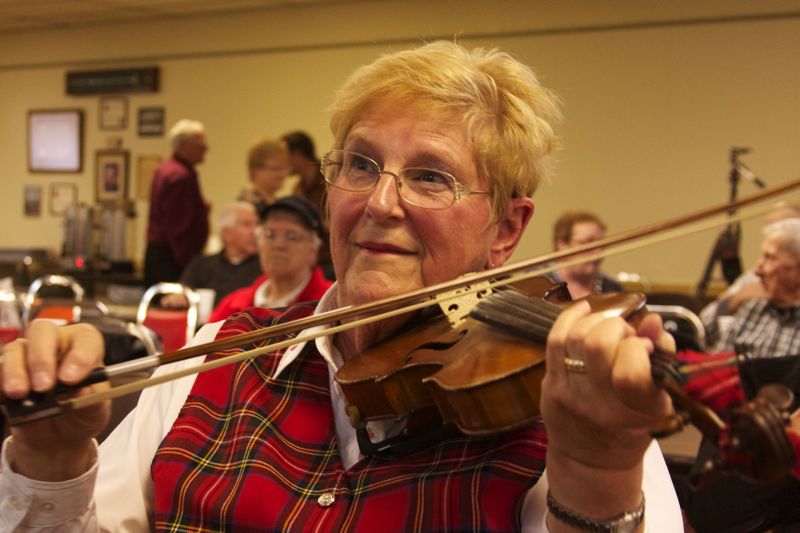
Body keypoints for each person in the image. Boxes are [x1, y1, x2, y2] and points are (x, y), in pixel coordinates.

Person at [1, 41, 683, 531]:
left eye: (430, 176)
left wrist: (595, 480)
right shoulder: (218, 355)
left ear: (506, 228)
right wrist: (51, 461)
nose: (380, 203)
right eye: (360, 164)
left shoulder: (577, 412)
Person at [208, 196, 332, 322]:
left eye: (291, 236)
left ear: (313, 249)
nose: (278, 245)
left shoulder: (331, 304)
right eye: (270, 234)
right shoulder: (232, 306)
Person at [707, 218, 800, 357]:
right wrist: (735, 300)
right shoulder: (753, 305)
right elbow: (719, 364)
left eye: (770, 258)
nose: (757, 270)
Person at [144, 119, 210, 287]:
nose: (206, 148)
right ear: (184, 145)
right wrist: (190, 264)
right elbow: (177, 226)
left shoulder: (165, 168)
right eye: (200, 143)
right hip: (172, 259)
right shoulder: (181, 176)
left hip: (160, 255)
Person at [161, 201, 262, 309]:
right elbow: (181, 292)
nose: (256, 232)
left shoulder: (263, 267)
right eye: (247, 225)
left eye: (257, 225)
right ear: (226, 234)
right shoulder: (202, 265)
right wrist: (177, 298)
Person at [282, 130, 334, 279]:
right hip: (310, 261)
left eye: (285, 156)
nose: (282, 163)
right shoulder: (298, 188)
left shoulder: (329, 179)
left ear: (297, 155)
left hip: (330, 260)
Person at [548, 210, 623, 299]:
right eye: (588, 243)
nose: (598, 251)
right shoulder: (542, 285)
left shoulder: (612, 290)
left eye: (602, 244)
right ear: (562, 245)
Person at [238, 138, 291, 218]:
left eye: (285, 167)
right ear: (255, 170)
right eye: (276, 168)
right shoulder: (245, 208)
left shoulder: (280, 205)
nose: (283, 173)